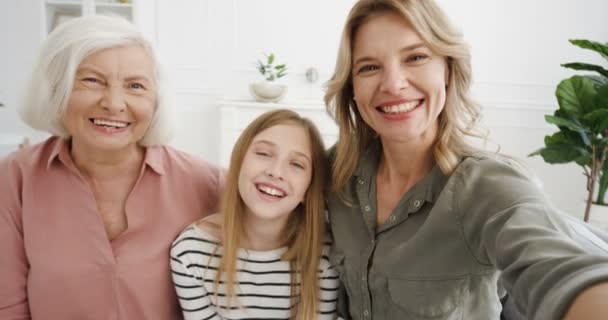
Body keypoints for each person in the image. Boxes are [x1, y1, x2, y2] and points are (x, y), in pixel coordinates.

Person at [323, 1, 608, 319]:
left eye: (416, 57)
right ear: (352, 88)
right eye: (369, 67)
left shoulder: (488, 186)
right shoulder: (337, 174)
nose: (392, 84)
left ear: (447, 68)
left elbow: (562, 271)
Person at [0, 15, 224, 319]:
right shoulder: (14, 178)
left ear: (156, 100)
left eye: (135, 86)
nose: (114, 103)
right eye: (92, 80)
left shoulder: (210, 183)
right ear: (57, 88)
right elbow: (8, 306)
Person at [170, 109, 338, 319]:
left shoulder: (326, 252)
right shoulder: (191, 252)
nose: (275, 172)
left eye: (296, 164)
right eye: (263, 154)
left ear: (308, 188)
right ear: (239, 162)